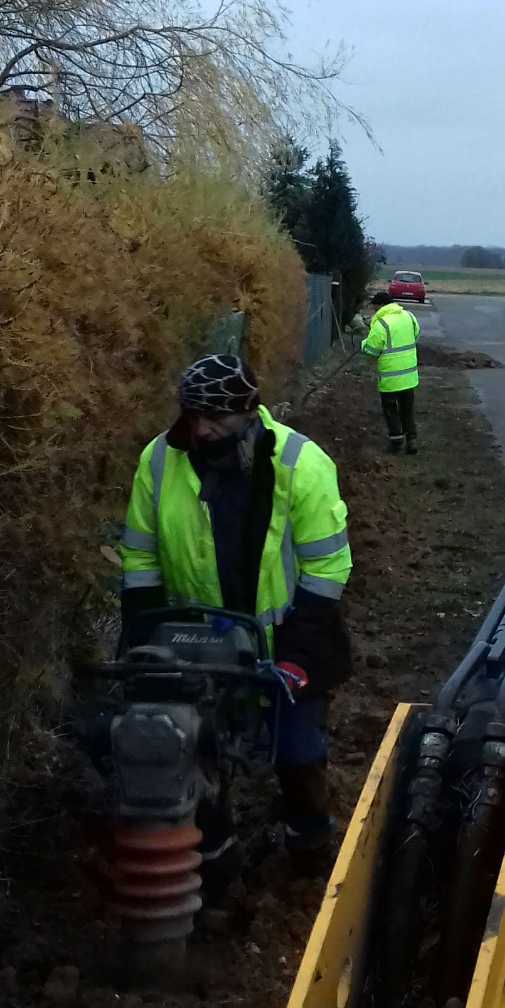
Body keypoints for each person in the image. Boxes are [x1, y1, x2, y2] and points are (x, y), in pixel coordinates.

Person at [118, 354, 353, 866]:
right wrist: (141, 639)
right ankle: (215, 855)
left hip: (287, 643)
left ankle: (309, 838)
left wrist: (298, 657)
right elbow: (139, 558)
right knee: (193, 751)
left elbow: (326, 571)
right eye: (192, 415)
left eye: (215, 418)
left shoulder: (300, 464)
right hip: (198, 646)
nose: (201, 430)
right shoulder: (160, 461)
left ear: (248, 414)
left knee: (295, 753)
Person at [361, 289, 421, 452]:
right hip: (409, 375)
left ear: (379, 306)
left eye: (374, 307)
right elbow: (416, 334)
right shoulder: (409, 316)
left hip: (390, 377)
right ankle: (412, 440)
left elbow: (372, 350)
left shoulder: (381, 324)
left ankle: (396, 442)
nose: (373, 310)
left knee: (391, 410)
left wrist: (363, 343)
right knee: (407, 409)